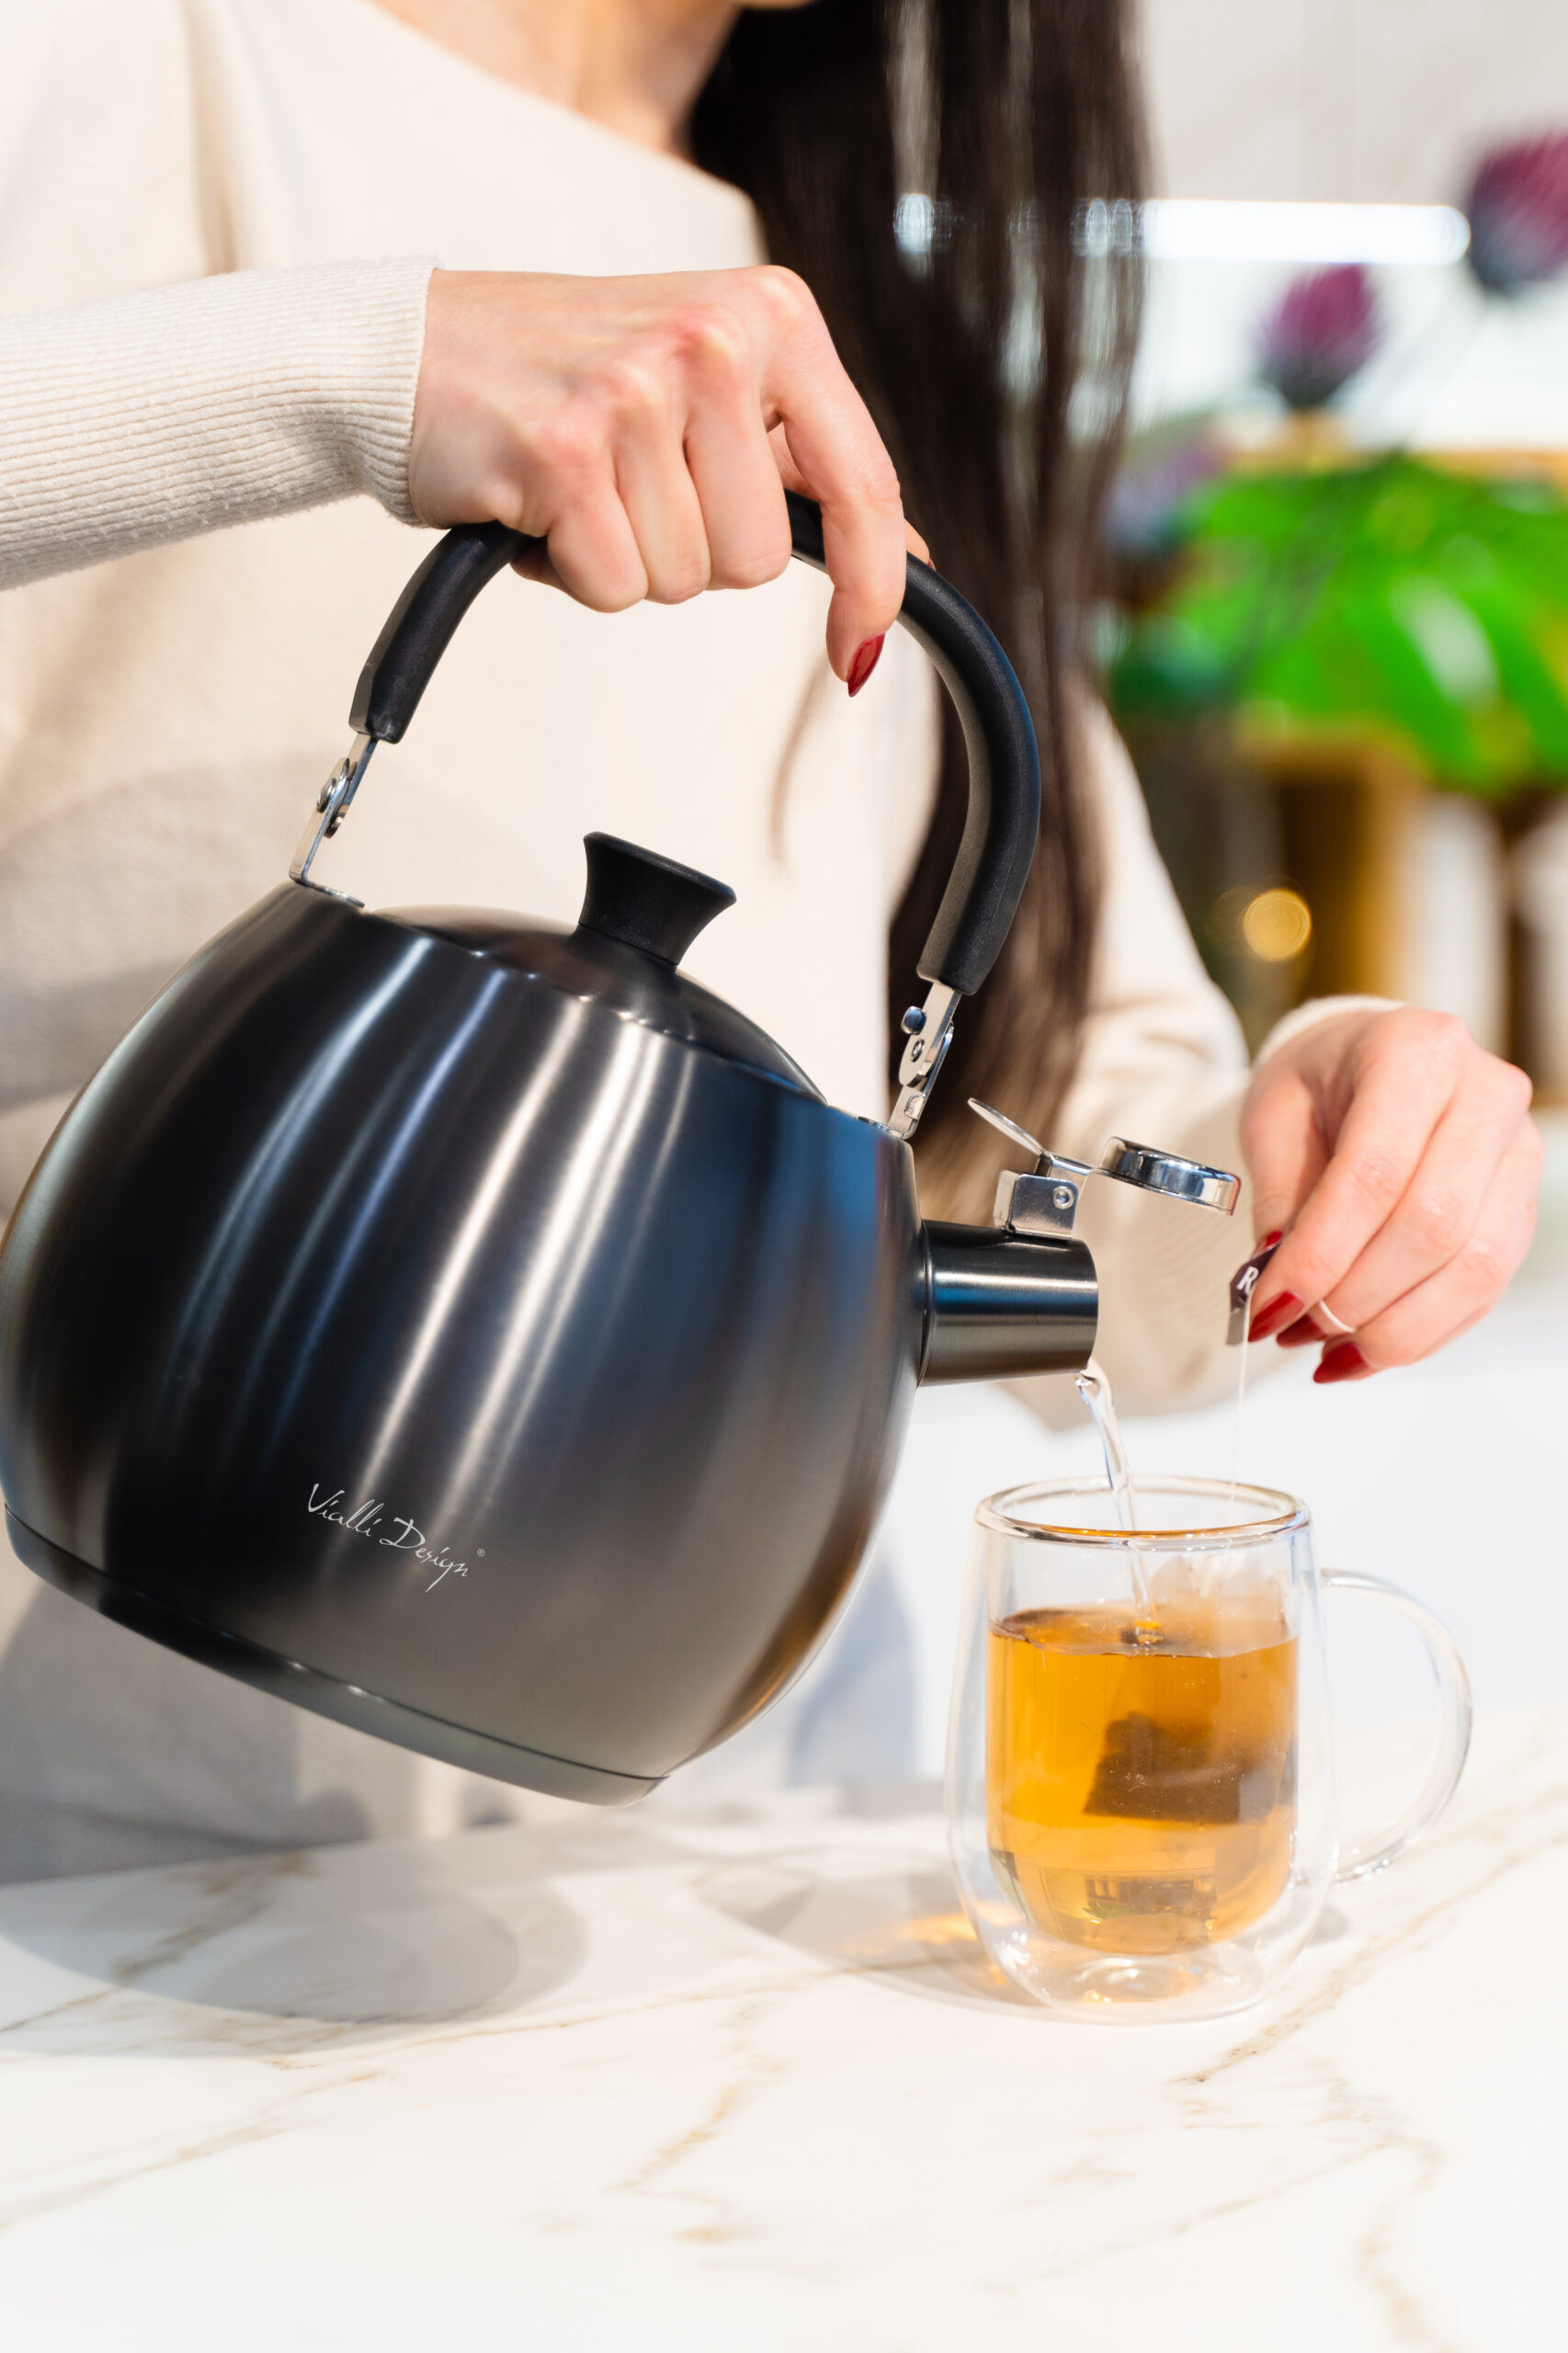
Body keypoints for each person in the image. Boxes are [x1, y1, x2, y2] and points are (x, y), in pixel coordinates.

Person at [0, 0, 1540, 1873]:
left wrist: (1315, 1143)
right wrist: (367, 366)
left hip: (695, 1878)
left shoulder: (879, 348)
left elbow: (1068, 1171)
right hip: (76, 1860)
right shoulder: (121, 61)